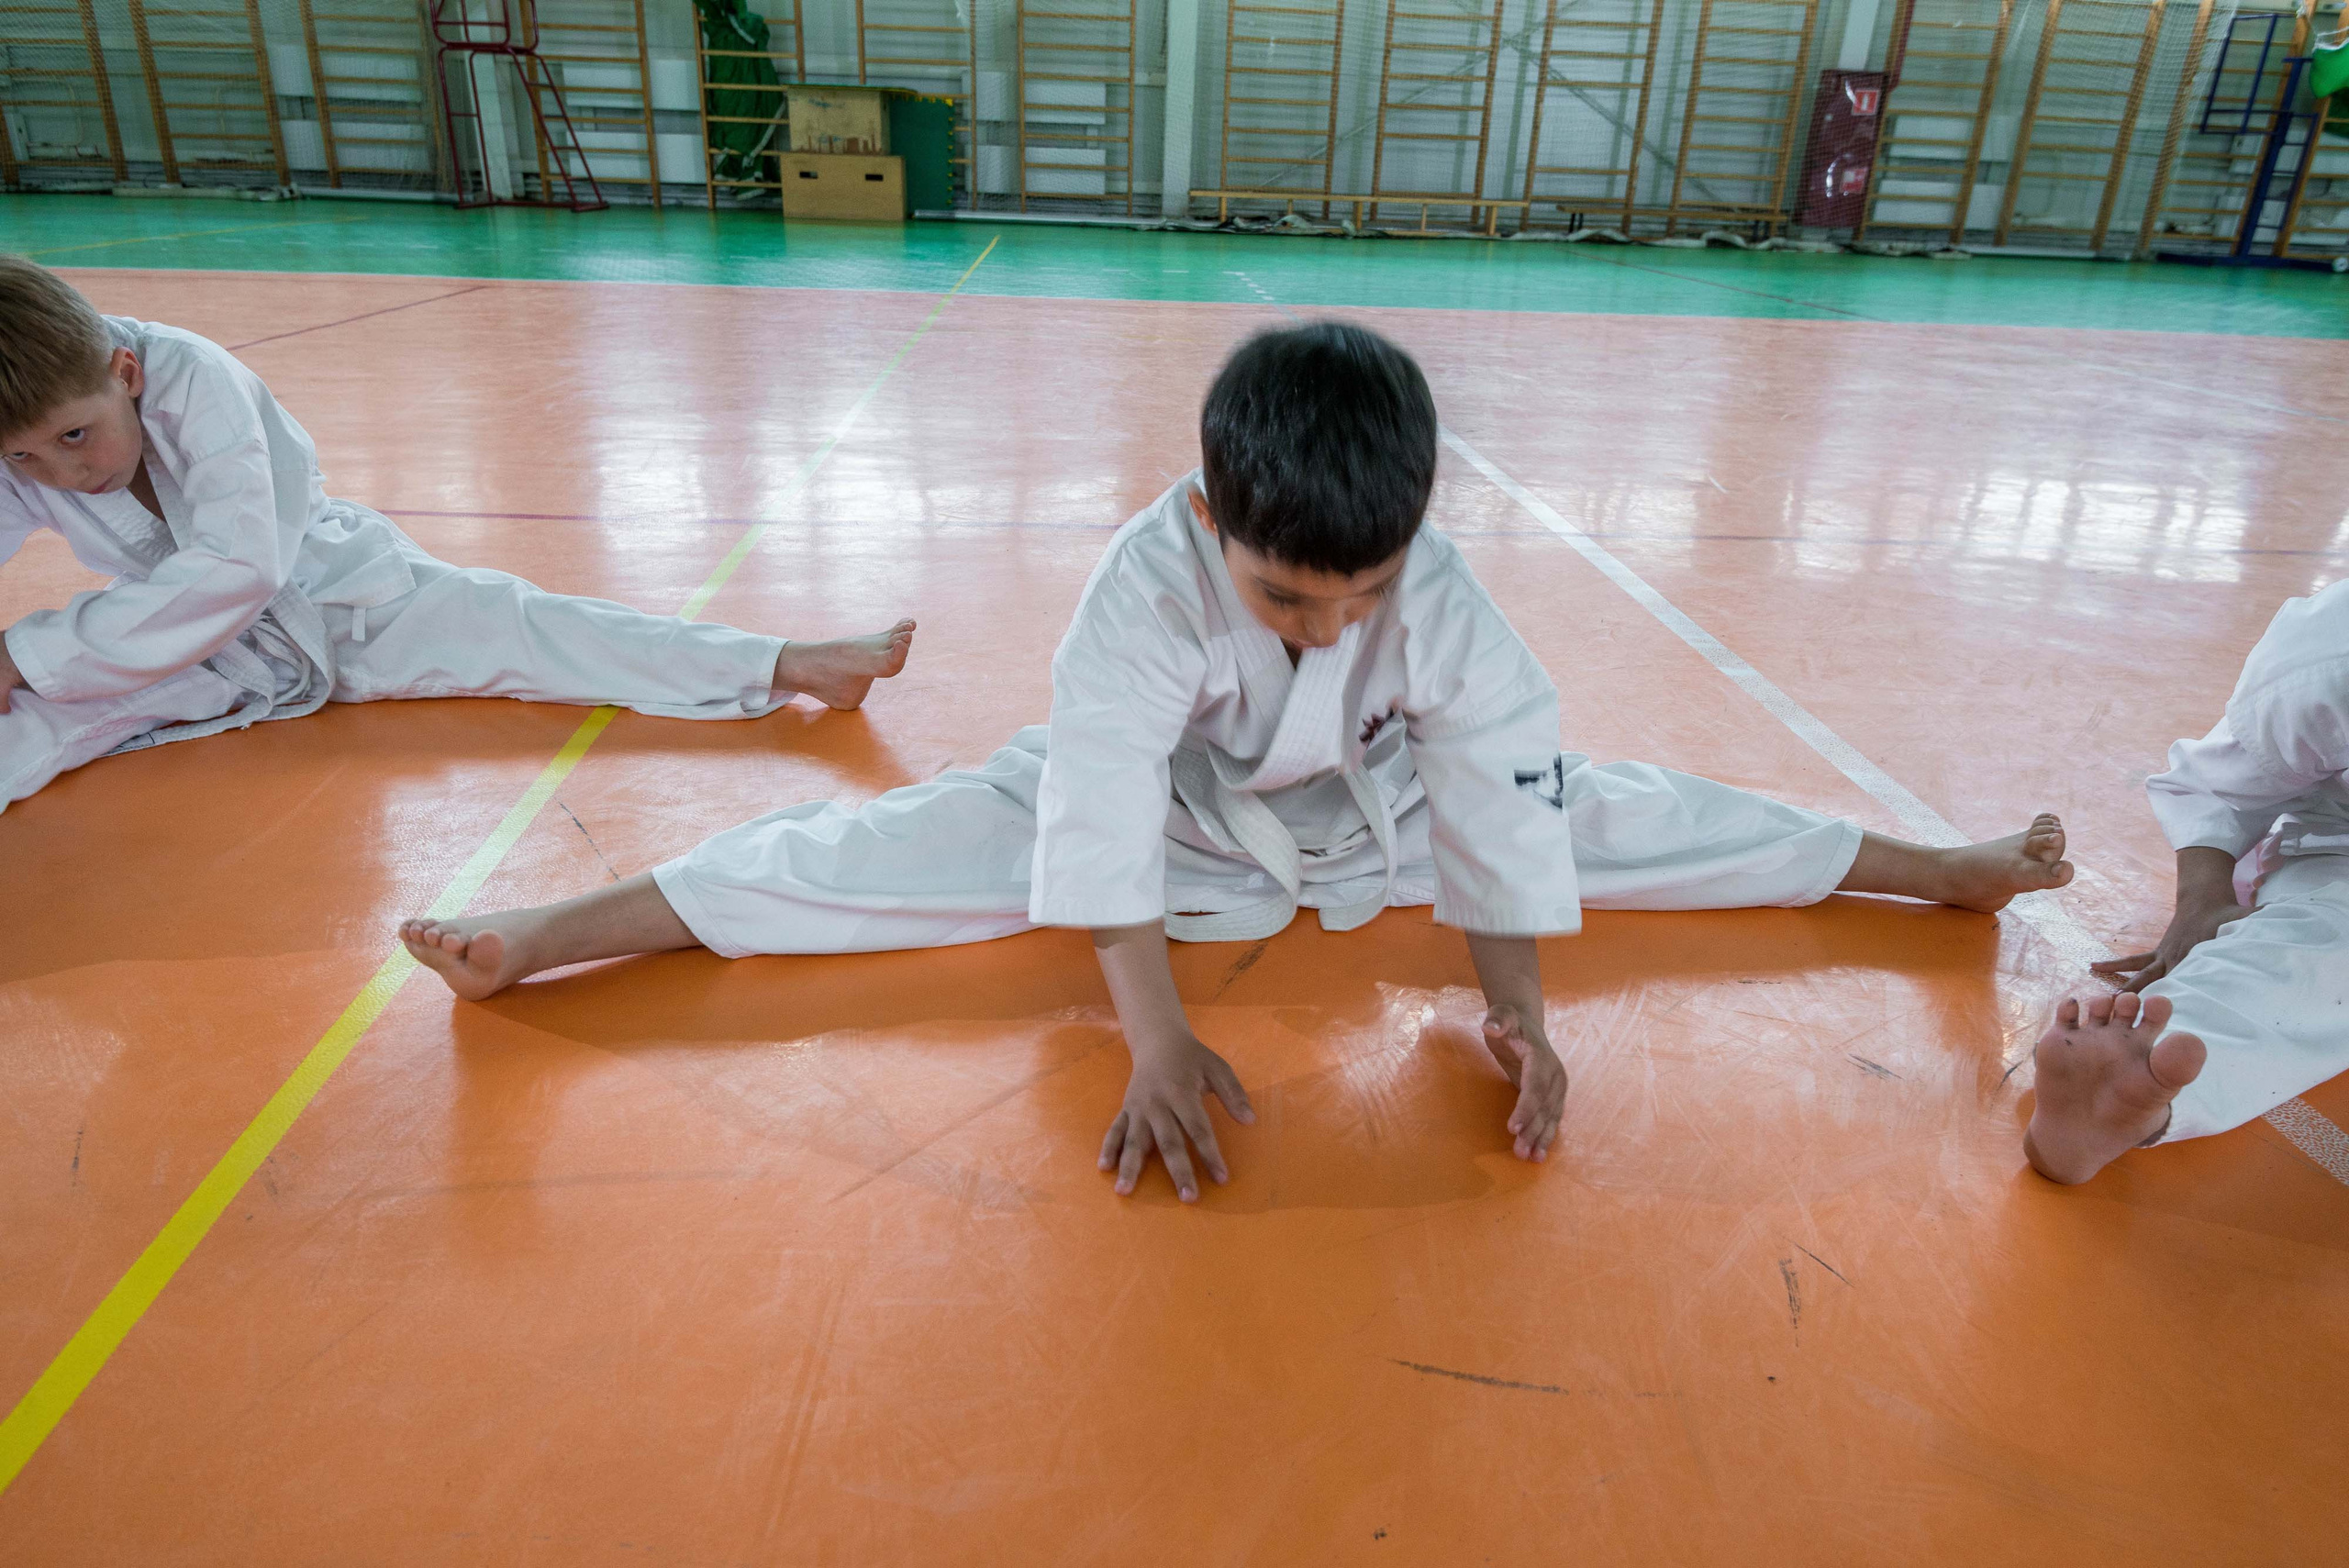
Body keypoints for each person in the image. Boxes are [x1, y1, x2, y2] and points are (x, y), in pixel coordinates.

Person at [403, 322, 2073, 1200]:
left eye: (1370, 589)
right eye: (1289, 592)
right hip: (1179, 825)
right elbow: (1106, 824)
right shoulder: (1140, 592)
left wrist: (1525, 1013)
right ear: (1213, 522)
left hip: (1378, 811)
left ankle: (1940, 866)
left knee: (1636, 809)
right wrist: (1156, 1036)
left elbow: (1501, 810)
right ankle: (551, 933)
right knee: (882, 861)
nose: (1336, 622)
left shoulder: (1438, 596)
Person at [0, 256, 914, 817]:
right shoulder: (24, 430)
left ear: (123, 372)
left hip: (345, 595)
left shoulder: (194, 375)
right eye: (27, 460)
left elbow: (244, 562)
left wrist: (29, 649)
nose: (65, 473)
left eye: (77, 436)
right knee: (37, 714)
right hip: (198, 648)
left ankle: (791, 661)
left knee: (534, 626)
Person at [2026, 580, 2348, 1184]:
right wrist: (2202, 901)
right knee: (2330, 946)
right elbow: (2221, 786)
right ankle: (2123, 1087)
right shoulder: (2331, 664)